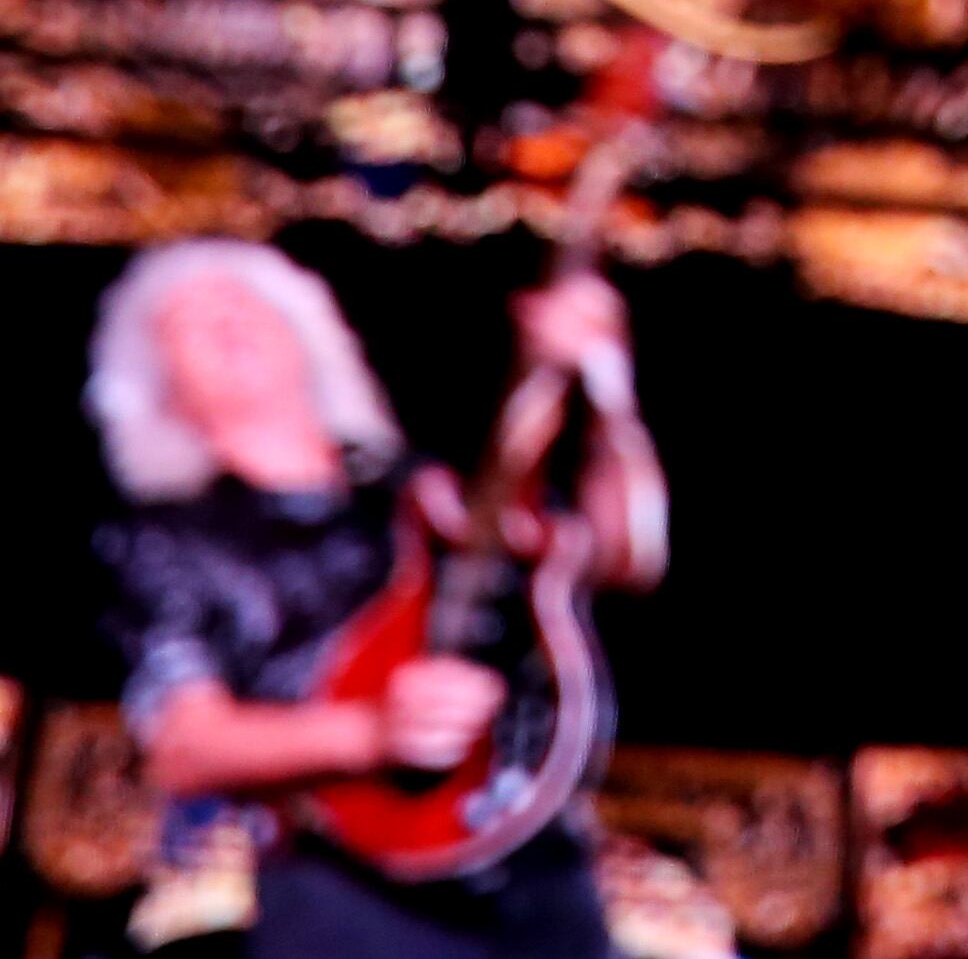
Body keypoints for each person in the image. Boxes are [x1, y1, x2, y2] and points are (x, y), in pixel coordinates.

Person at [87, 240, 667, 959]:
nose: (231, 322)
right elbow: (183, 744)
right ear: (159, 382)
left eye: (247, 303)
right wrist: (371, 731)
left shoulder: (424, 489)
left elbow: (618, 552)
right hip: (339, 881)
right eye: (193, 319)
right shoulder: (166, 536)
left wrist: (604, 381)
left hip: (532, 861)